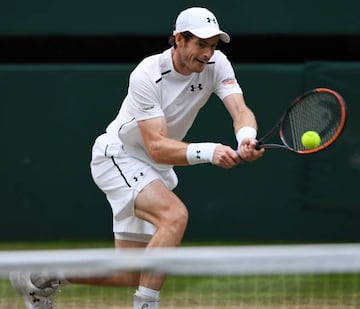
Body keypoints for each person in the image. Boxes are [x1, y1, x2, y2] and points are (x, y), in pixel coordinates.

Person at [9, 6, 264, 309]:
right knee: (174, 215)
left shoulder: (218, 64)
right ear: (179, 39)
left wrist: (245, 136)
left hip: (153, 168)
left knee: (129, 273)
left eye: (212, 45)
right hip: (118, 157)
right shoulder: (147, 74)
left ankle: (40, 277)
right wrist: (210, 152)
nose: (208, 53)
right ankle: (146, 305)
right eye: (200, 44)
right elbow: (156, 146)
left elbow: (239, 109)